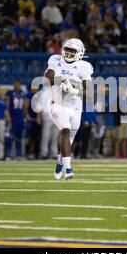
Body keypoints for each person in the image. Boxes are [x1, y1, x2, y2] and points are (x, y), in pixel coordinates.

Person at [44, 38, 93, 179]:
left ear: (80, 53)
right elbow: (47, 80)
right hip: (57, 104)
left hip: (75, 107)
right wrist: (64, 80)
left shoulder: (84, 66)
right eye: (67, 50)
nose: (69, 53)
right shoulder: (55, 59)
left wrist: (74, 91)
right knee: (64, 130)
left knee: (68, 139)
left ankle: (60, 162)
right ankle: (68, 168)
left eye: (73, 51)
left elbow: (89, 93)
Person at [5, 79, 25, 158]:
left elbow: (25, 106)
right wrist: (8, 117)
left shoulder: (22, 93)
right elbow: (7, 105)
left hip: (20, 118)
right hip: (13, 117)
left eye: (18, 84)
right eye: (15, 84)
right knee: (11, 136)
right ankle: (8, 154)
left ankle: (19, 154)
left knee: (19, 136)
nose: (16, 85)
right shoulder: (9, 93)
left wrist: (24, 116)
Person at [38, 87, 58, 159]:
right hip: (47, 116)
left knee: (55, 137)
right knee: (45, 136)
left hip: (56, 117)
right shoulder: (44, 92)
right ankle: (44, 153)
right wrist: (39, 116)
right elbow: (39, 105)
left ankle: (54, 153)